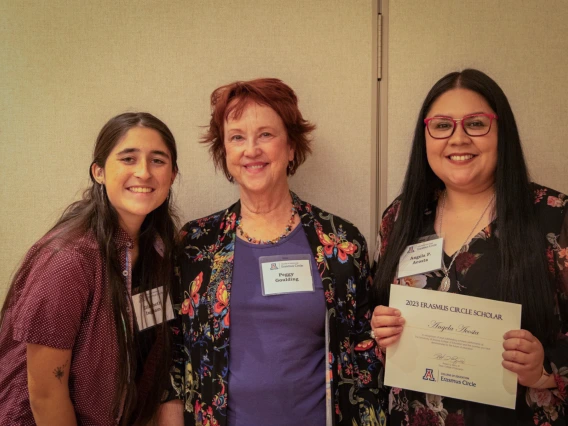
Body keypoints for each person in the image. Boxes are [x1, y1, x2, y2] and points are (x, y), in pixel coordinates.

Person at [162, 78, 383, 426]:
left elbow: (364, 350)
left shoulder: (340, 242)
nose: (251, 149)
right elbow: (172, 350)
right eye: (237, 137)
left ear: (291, 147)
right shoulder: (196, 244)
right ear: (224, 151)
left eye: (265, 134)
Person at [371, 69, 568, 425]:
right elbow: (376, 319)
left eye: (476, 124)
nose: (458, 138)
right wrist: (381, 332)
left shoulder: (554, 217)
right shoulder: (401, 217)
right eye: (442, 125)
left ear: (501, 132)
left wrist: (544, 371)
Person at [0, 112, 179, 425]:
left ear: (173, 174)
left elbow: (150, 347)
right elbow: (45, 392)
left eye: (158, 160)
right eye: (128, 158)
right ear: (99, 172)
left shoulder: (157, 250)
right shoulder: (69, 259)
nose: (143, 172)